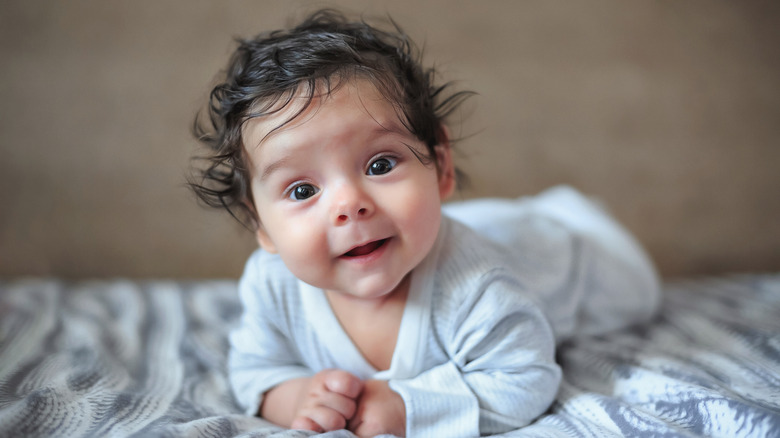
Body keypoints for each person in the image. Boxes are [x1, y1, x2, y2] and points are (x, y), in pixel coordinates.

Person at [188, 9, 660, 437]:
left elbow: (526, 380)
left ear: (442, 166)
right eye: (303, 191)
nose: (349, 205)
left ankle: (563, 208)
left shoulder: (478, 290)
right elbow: (254, 368)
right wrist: (296, 399)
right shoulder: (273, 287)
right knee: (446, 223)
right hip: (463, 227)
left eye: (379, 165)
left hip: (580, 251)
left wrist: (407, 408)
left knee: (638, 293)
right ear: (263, 229)